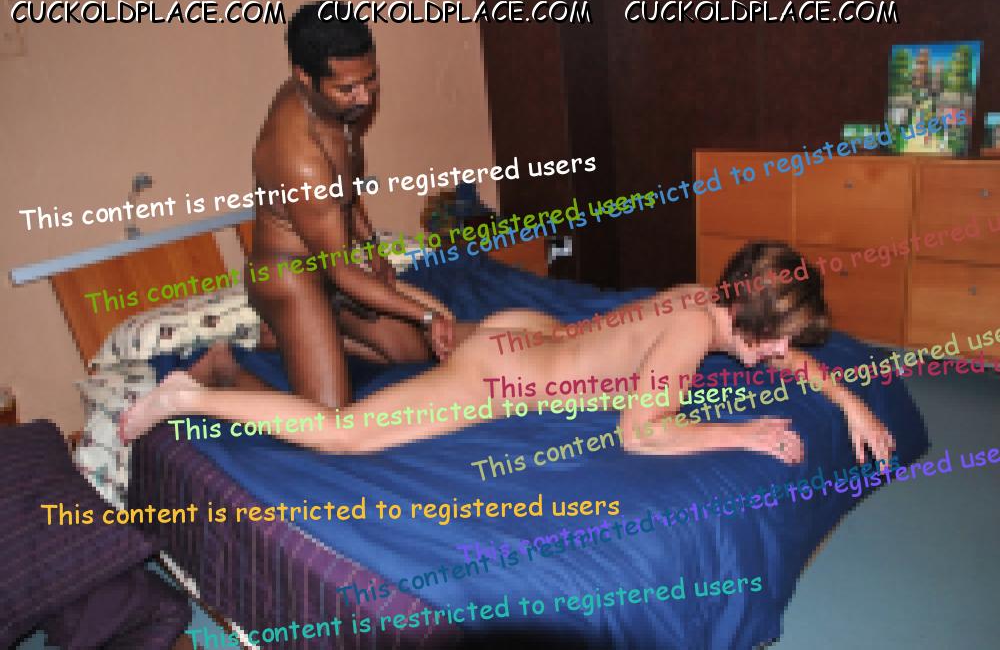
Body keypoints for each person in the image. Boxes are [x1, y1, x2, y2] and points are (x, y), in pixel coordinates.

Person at [121, 242, 895, 465]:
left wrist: (847, 399)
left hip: (528, 331)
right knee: (343, 432)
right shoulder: (695, 329)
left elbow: (787, 357)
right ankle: (189, 394)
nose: (784, 354)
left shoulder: (709, 299)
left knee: (420, 348)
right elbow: (642, 432)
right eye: (780, 338)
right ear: (750, 313)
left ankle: (384, 319)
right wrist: (740, 432)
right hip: (503, 372)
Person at [249, 0, 455, 409]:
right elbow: (341, 271)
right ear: (304, 77)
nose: (364, 97)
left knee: (416, 355)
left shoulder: (335, 103)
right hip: (293, 275)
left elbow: (344, 192)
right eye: (348, 89)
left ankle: (304, 334)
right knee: (329, 418)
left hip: (333, 264)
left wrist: (373, 247)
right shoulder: (299, 156)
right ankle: (224, 371)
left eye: (371, 79)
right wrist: (426, 316)